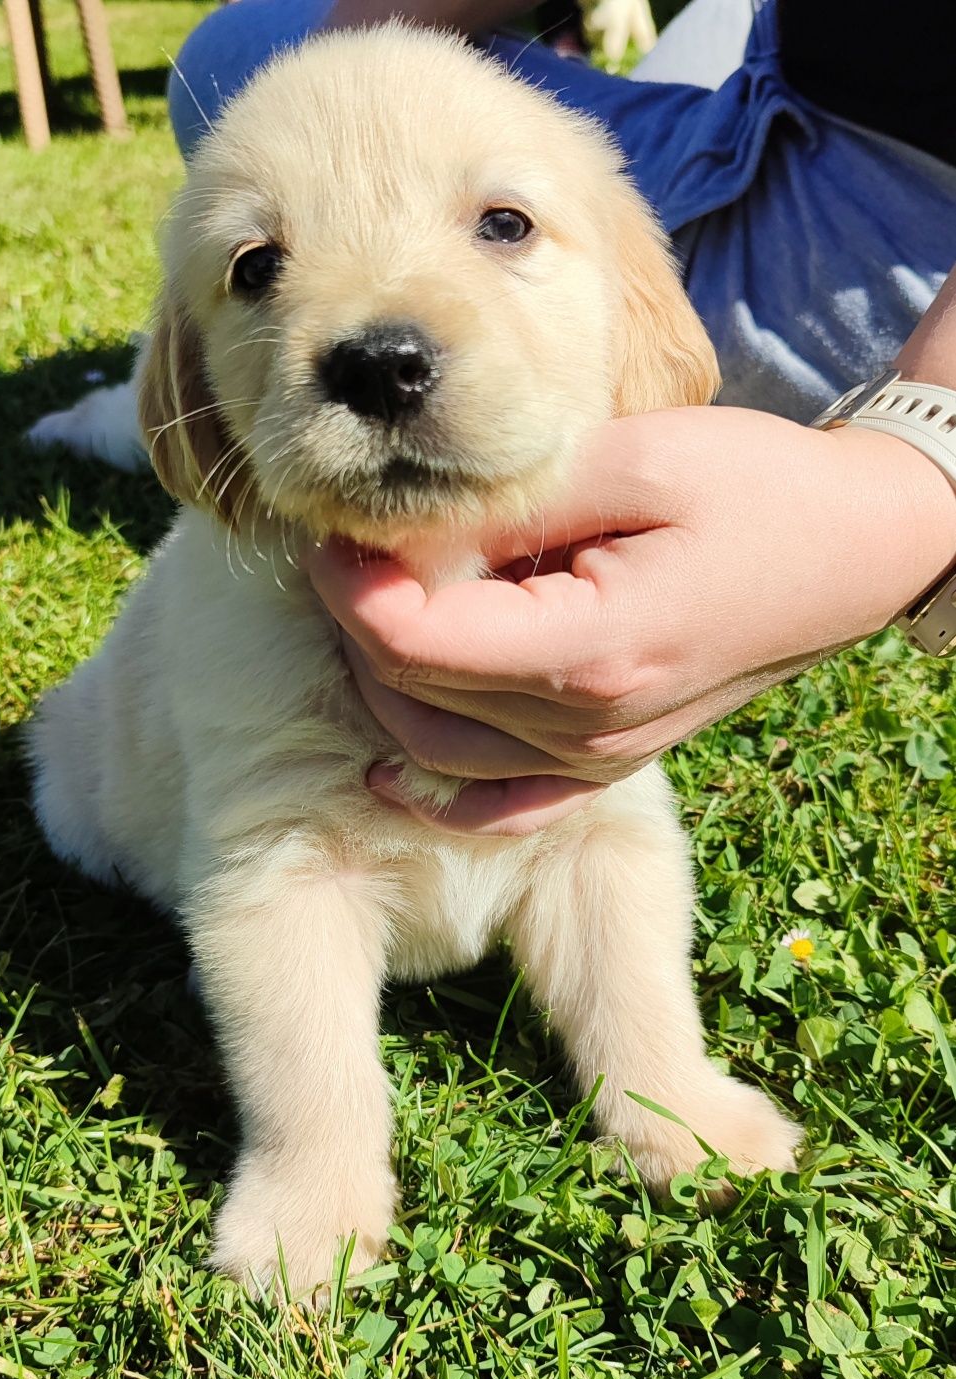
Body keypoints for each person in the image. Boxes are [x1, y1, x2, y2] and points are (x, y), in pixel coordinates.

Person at [168, 0, 956, 834]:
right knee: (247, 47)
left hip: (907, 226)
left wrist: (920, 458)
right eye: (261, 270)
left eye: (501, 227)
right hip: (783, 92)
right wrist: (350, 81)